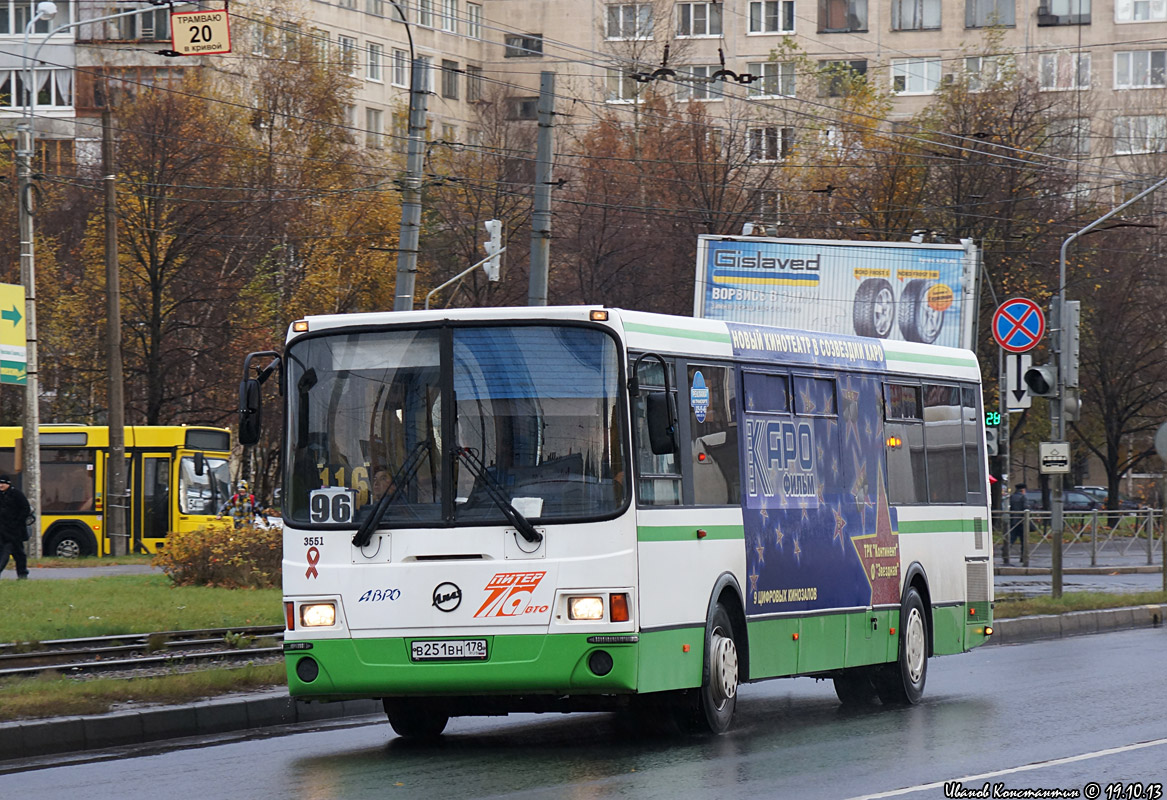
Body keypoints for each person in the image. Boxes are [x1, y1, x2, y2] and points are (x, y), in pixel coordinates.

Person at [0, 475, 31, 580]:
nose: (1, 485)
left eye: (3, 483)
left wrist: (17, 522)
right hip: (2, 531)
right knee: (5, 553)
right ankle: (22, 574)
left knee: (18, 554)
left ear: (8, 484)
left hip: (15, 532)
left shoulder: (17, 494)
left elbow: (25, 509)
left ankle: (22, 574)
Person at [1007, 482, 1027, 557]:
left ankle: (1005, 551)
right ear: (1023, 490)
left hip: (1013, 521)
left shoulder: (1012, 497)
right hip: (1021, 522)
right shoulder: (1023, 497)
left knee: (1011, 538)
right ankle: (1023, 556)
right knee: (1023, 541)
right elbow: (1025, 508)